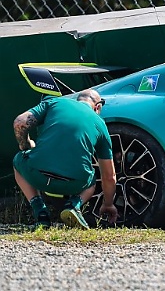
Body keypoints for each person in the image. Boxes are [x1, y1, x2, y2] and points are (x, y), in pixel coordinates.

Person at [13, 89, 118, 229]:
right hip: (74, 184)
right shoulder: (100, 125)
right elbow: (109, 177)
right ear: (97, 107)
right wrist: (108, 204)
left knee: (18, 160)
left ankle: (41, 213)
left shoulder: (55, 102)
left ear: (77, 100)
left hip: (37, 176)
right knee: (91, 179)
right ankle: (74, 205)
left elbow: (20, 122)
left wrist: (25, 145)